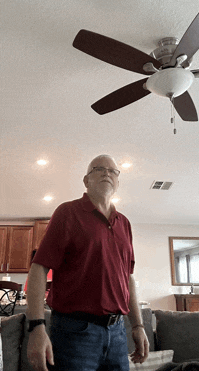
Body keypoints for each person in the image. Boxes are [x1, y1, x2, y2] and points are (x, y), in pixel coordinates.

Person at [26, 154, 149, 371]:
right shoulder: (67, 212)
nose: (106, 173)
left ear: (118, 182)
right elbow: (39, 267)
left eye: (112, 171)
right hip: (75, 333)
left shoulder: (125, 224)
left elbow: (128, 277)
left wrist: (138, 326)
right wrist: (37, 327)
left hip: (118, 333)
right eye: (99, 169)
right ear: (86, 180)